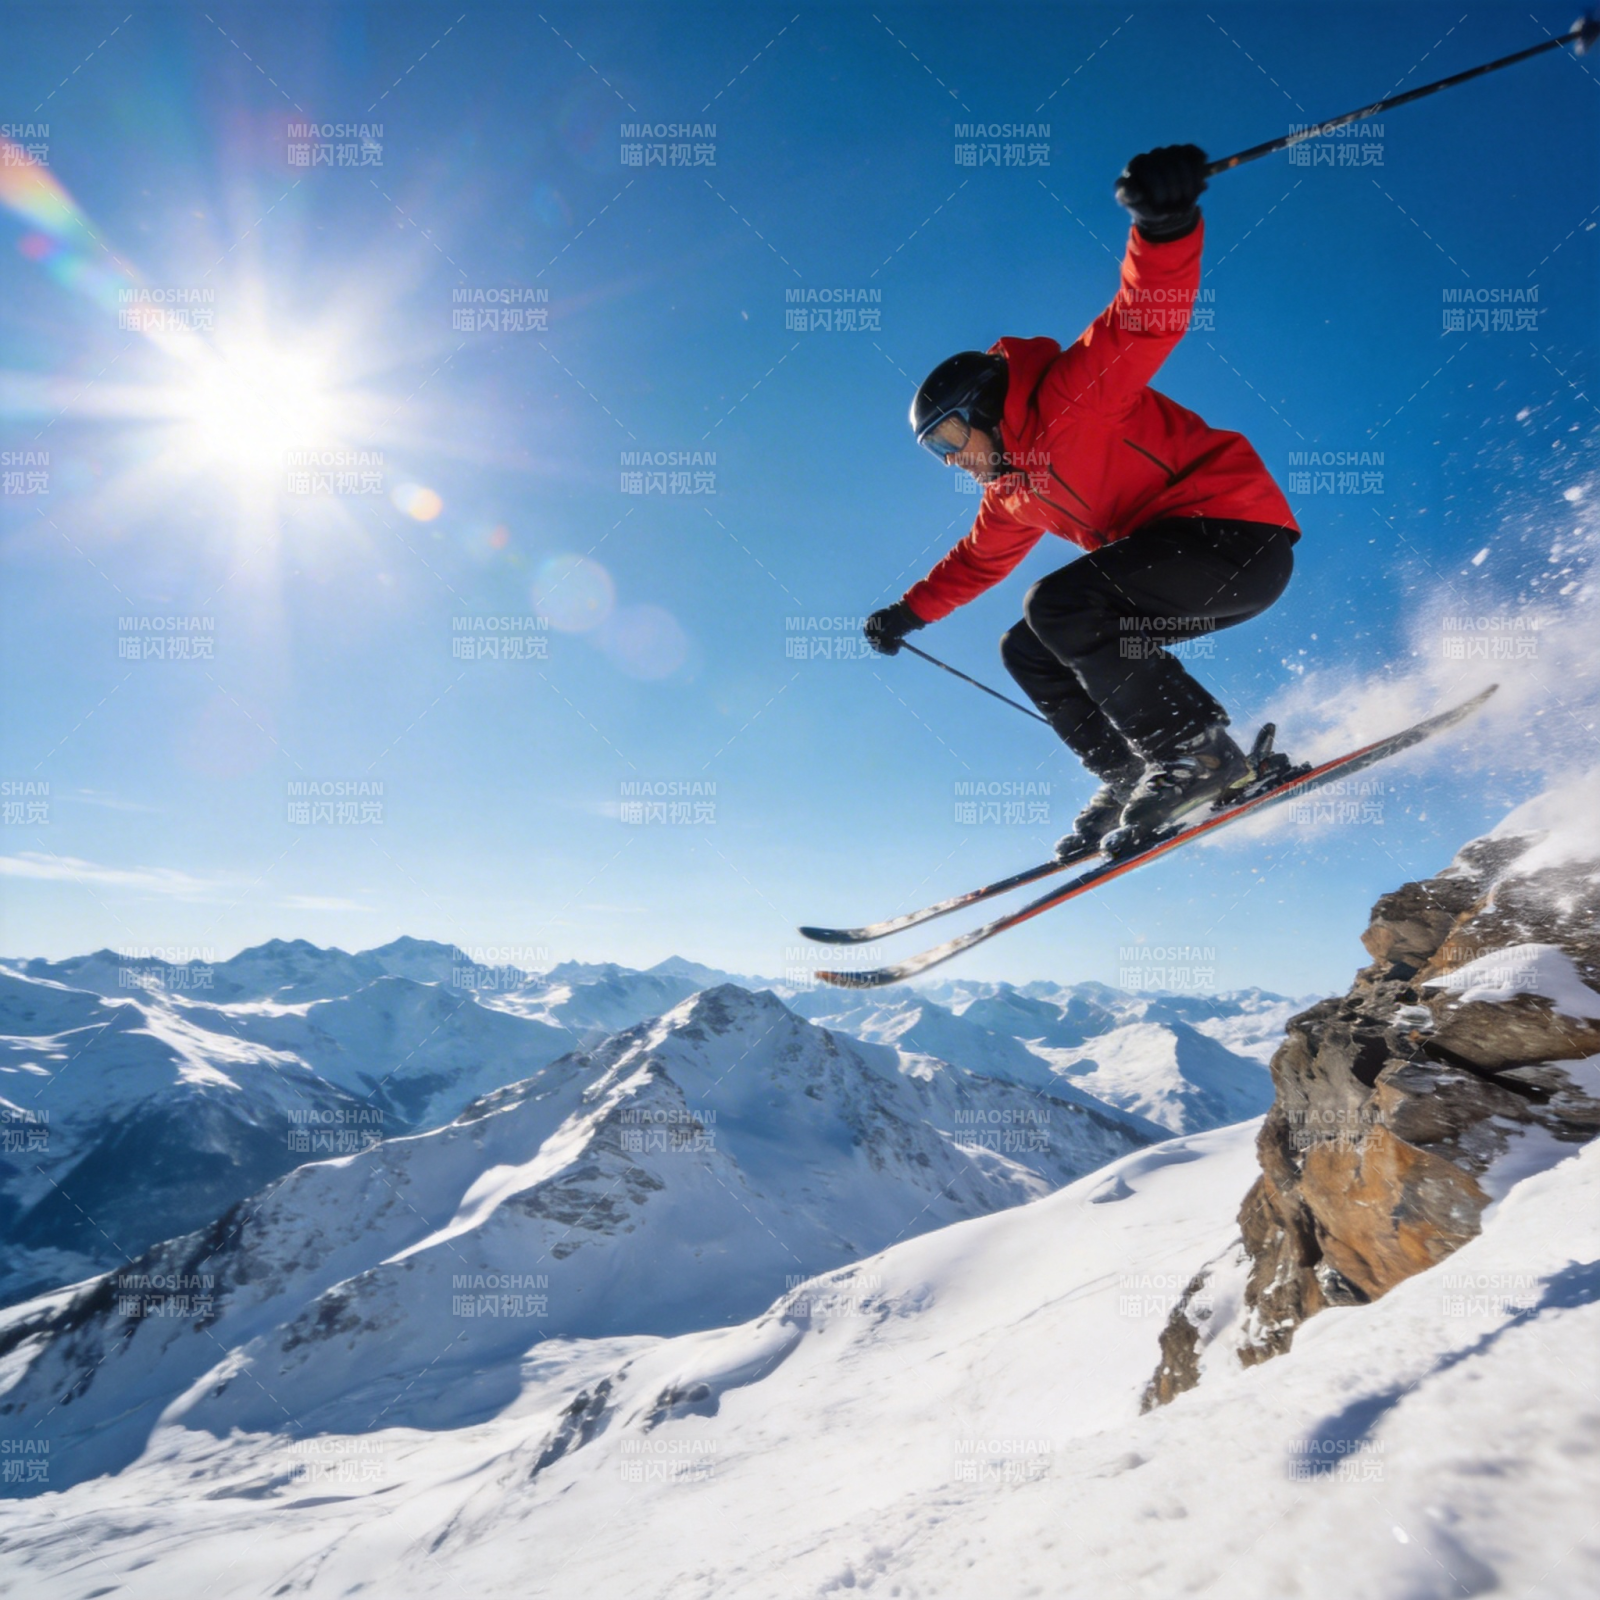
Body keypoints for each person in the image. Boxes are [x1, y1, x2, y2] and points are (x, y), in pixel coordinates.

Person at [864, 145, 1299, 857]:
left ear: (985, 404)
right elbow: (975, 564)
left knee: (1060, 604)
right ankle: (1130, 772)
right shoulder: (1011, 493)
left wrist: (1164, 226)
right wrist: (906, 615)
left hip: (1235, 540)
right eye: (936, 452)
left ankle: (1197, 751)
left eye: (951, 437)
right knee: (1027, 647)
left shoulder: (1072, 395)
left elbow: (1145, 317)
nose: (952, 458)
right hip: (1172, 569)